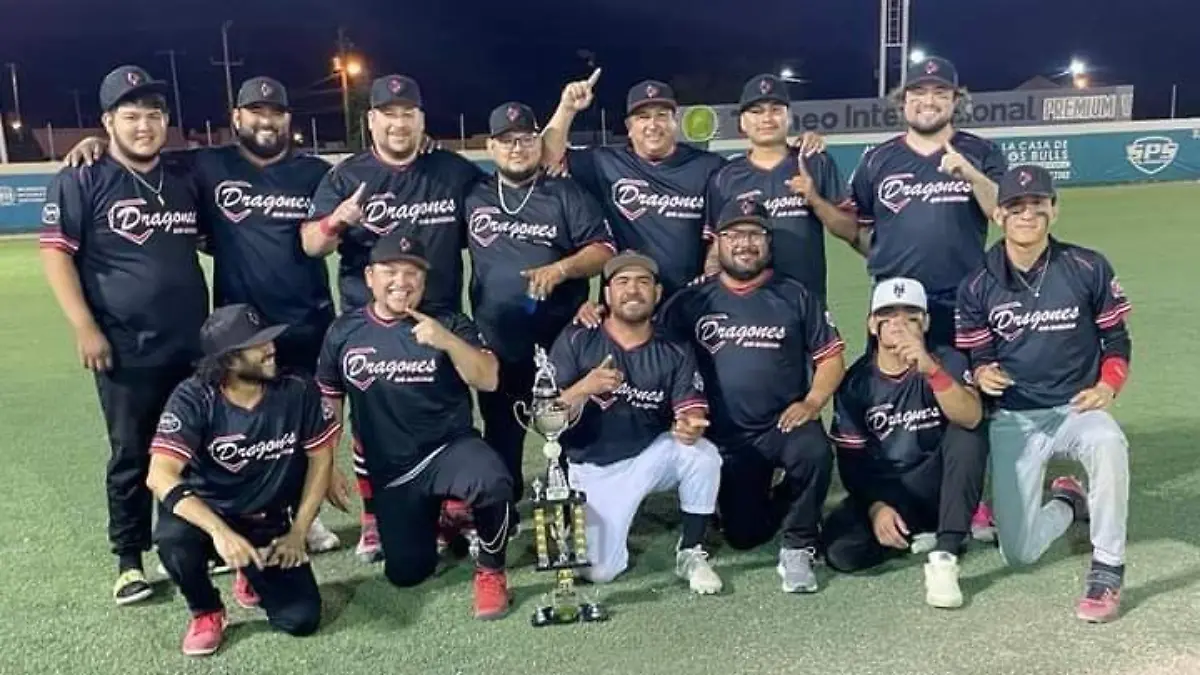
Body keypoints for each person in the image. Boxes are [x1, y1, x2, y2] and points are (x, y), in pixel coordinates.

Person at [63, 75, 343, 554]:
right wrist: (98, 143)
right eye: (255, 111)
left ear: (288, 119)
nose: (266, 120)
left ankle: (303, 517)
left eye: (276, 112)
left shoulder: (316, 172)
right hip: (238, 330)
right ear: (237, 118)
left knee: (300, 423)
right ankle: (223, 525)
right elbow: (141, 152)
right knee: (244, 425)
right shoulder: (207, 165)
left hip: (307, 319)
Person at [38, 65, 209, 605]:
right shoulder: (82, 178)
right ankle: (129, 559)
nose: (144, 126)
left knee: (193, 445)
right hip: (125, 345)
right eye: (131, 116)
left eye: (153, 116)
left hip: (192, 344)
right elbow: (56, 255)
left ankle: (190, 541)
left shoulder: (183, 177)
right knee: (132, 452)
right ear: (108, 121)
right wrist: (84, 326)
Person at [302, 73, 485, 561]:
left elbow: (503, 194)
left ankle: (453, 508)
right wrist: (338, 220)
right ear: (371, 120)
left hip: (439, 316)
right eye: (389, 114)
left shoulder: (452, 170)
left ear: (422, 120)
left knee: (448, 414)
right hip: (369, 321)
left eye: (408, 114)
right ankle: (374, 519)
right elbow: (312, 244)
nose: (398, 123)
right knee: (373, 422)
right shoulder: (347, 176)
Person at [954, 164, 1133, 623]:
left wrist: (1108, 384)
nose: (1027, 214)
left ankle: (1107, 568)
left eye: (1037, 205)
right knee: (1019, 553)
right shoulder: (977, 284)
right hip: (1015, 417)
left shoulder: (1087, 266)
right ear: (999, 214)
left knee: (1109, 442)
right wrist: (983, 372)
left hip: (1076, 407)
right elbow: (978, 356)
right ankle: (1069, 502)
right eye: (1016, 206)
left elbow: (1116, 339)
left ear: (1054, 210)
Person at [841, 54, 1008, 541]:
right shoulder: (877, 160)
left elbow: (1002, 213)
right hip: (896, 304)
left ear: (956, 100)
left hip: (963, 300)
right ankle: (893, 489)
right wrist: (887, 257)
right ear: (904, 101)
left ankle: (972, 500)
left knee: (969, 398)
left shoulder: (980, 151)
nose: (928, 101)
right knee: (893, 394)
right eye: (918, 93)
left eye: (939, 93)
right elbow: (860, 228)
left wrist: (970, 175)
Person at [316, 232, 515, 620]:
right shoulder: (344, 331)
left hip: (449, 450)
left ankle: (491, 571)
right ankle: (442, 519)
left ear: (424, 280)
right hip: (393, 468)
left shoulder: (449, 321)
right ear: (370, 276)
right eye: (390, 271)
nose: (402, 282)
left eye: (412, 273)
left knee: (492, 480)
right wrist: (326, 465)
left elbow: (488, 378)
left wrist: (447, 342)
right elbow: (330, 399)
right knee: (407, 573)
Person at [659, 198, 845, 593]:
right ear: (718, 242)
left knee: (813, 450)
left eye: (755, 234)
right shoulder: (692, 301)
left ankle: (799, 545)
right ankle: (772, 499)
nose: (745, 243)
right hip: (721, 436)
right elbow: (655, 355)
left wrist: (813, 401)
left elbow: (830, 357)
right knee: (745, 535)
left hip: (780, 425)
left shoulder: (795, 294)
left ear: (768, 241)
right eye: (734, 235)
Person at [147, 304, 338, 656]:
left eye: (269, 339)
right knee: (173, 538)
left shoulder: (298, 389)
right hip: (209, 515)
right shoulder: (193, 397)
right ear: (228, 360)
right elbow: (159, 475)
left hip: (265, 518)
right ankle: (206, 610)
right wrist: (220, 532)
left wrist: (298, 532)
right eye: (257, 345)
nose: (271, 348)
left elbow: (320, 459)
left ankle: (249, 573)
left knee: (301, 619)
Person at [465, 101, 615, 510]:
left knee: (566, 428)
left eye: (526, 139)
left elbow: (603, 249)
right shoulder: (474, 194)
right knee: (502, 432)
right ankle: (504, 509)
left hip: (560, 341)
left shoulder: (565, 192)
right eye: (507, 141)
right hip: (499, 343)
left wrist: (562, 269)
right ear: (490, 147)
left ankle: (569, 507)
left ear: (539, 143)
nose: (517, 148)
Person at [549, 251, 723, 593]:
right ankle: (587, 526)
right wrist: (583, 388)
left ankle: (691, 552)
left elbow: (691, 410)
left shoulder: (674, 347)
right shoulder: (577, 338)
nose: (633, 290)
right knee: (599, 571)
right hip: (594, 469)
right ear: (607, 293)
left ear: (657, 294)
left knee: (702, 455)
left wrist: (690, 424)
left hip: (648, 457)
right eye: (623, 282)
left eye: (643, 282)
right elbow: (546, 418)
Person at [821, 277, 987, 609]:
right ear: (873, 325)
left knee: (966, 433)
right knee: (841, 551)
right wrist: (876, 507)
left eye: (910, 316)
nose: (898, 324)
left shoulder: (947, 360)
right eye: (888, 315)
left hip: (940, 483)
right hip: (892, 490)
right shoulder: (856, 383)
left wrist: (931, 371)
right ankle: (918, 533)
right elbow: (852, 464)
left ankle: (947, 551)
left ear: (925, 323)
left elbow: (971, 418)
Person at [703, 73, 856, 304]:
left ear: (789, 117)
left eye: (775, 110)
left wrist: (815, 200)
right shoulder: (724, 177)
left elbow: (851, 230)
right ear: (742, 122)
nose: (767, 118)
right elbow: (716, 250)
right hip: (746, 306)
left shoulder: (814, 162)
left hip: (806, 303)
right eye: (757, 111)